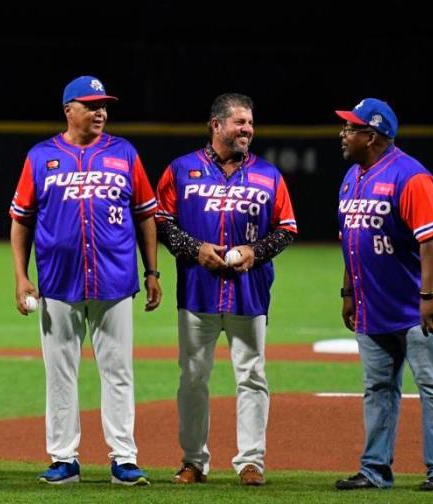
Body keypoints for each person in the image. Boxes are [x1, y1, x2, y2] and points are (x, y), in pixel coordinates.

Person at [9, 75, 161, 486]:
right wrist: (22, 277)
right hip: (58, 283)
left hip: (115, 282)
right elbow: (20, 221)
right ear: (68, 110)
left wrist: (152, 271)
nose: (101, 112)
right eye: (91, 105)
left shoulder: (123, 153)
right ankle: (63, 458)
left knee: (118, 371)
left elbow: (146, 214)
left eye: (104, 105)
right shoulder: (41, 157)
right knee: (60, 372)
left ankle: (124, 458)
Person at [154, 93, 298, 486]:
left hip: (249, 293)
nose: (247, 129)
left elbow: (287, 228)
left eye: (250, 123)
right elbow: (161, 221)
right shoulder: (182, 169)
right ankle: (193, 461)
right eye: (239, 122)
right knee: (193, 378)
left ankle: (251, 461)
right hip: (197, 293)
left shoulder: (268, 175)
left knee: (252, 376)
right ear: (216, 125)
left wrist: (256, 251)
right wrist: (193, 249)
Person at [332, 98, 433, 492]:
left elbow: (432, 241)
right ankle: (374, 469)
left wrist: (429, 295)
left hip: (416, 305)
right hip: (373, 304)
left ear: (371, 136)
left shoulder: (411, 176)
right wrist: (348, 291)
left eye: (351, 128)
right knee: (378, 388)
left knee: (432, 384)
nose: (343, 134)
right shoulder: (352, 176)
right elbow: (351, 239)